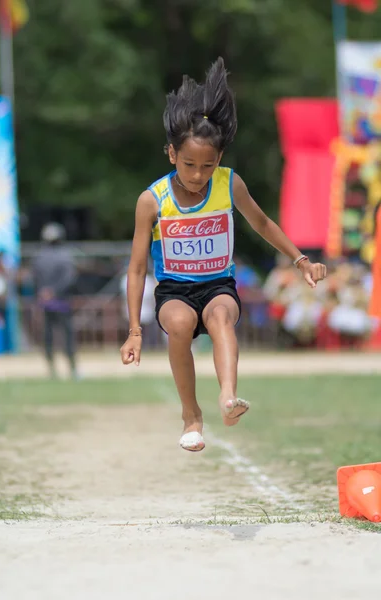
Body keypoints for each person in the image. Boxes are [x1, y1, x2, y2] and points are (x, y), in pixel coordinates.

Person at [120, 58, 327, 452]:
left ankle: (228, 398)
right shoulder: (152, 201)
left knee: (220, 316)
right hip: (174, 290)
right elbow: (136, 268)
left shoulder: (229, 185)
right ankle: (190, 415)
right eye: (189, 165)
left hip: (218, 285)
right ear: (171, 155)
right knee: (179, 324)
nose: (199, 175)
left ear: (220, 160)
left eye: (208, 165)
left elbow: (264, 224)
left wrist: (301, 261)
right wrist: (134, 330)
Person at [32, 222, 78, 379]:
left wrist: (44, 292)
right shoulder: (65, 255)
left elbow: (35, 279)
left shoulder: (39, 257)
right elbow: (69, 278)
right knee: (67, 335)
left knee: (48, 336)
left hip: (45, 303)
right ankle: (72, 368)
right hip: (62, 302)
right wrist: (55, 291)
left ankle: (51, 369)